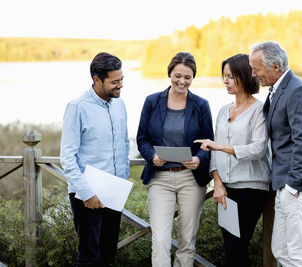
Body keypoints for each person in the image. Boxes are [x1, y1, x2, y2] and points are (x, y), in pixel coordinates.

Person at [249, 41, 302, 267]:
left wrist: (293, 186)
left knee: (299, 252)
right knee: (280, 249)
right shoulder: (278, 90)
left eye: (257, 69)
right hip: (284, 184)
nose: (254, 74)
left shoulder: (298, 90)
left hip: (299, 185)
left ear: (276, 67)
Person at [136, 52, 214, 267]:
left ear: (193, 78)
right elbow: (142, 139)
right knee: (160, 238)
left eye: (187, 77)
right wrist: (152, 156)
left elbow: (208, 143)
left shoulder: (201, 105)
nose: (182, 81)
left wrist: (199, 159)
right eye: (177, 75)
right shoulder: (152, 102)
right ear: (169, 73)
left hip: (191, 179)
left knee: (187, 241)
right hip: (159, 179)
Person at [195, 54, 271, 267]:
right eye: (225, 76)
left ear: (245, 76)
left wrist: (219, 146)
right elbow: (213, 153)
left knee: (237, 247)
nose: (226, 81)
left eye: (231, 76)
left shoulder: (259, 110)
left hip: (251, 188)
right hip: (225, 189)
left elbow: (258, 149)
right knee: (230, 248)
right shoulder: (222, 111)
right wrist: (217, 184)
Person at [60, 52, 130, 266]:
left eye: (121, 80)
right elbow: (67, 158)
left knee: (108, 254)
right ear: (97, 80)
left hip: (114, 192)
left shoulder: (120, 104)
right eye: (114, 82)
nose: (120, 86)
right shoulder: (77, 107)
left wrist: (123, 181)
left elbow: (124, 144)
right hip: (87, 196)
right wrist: (87, 193)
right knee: (90, 257)